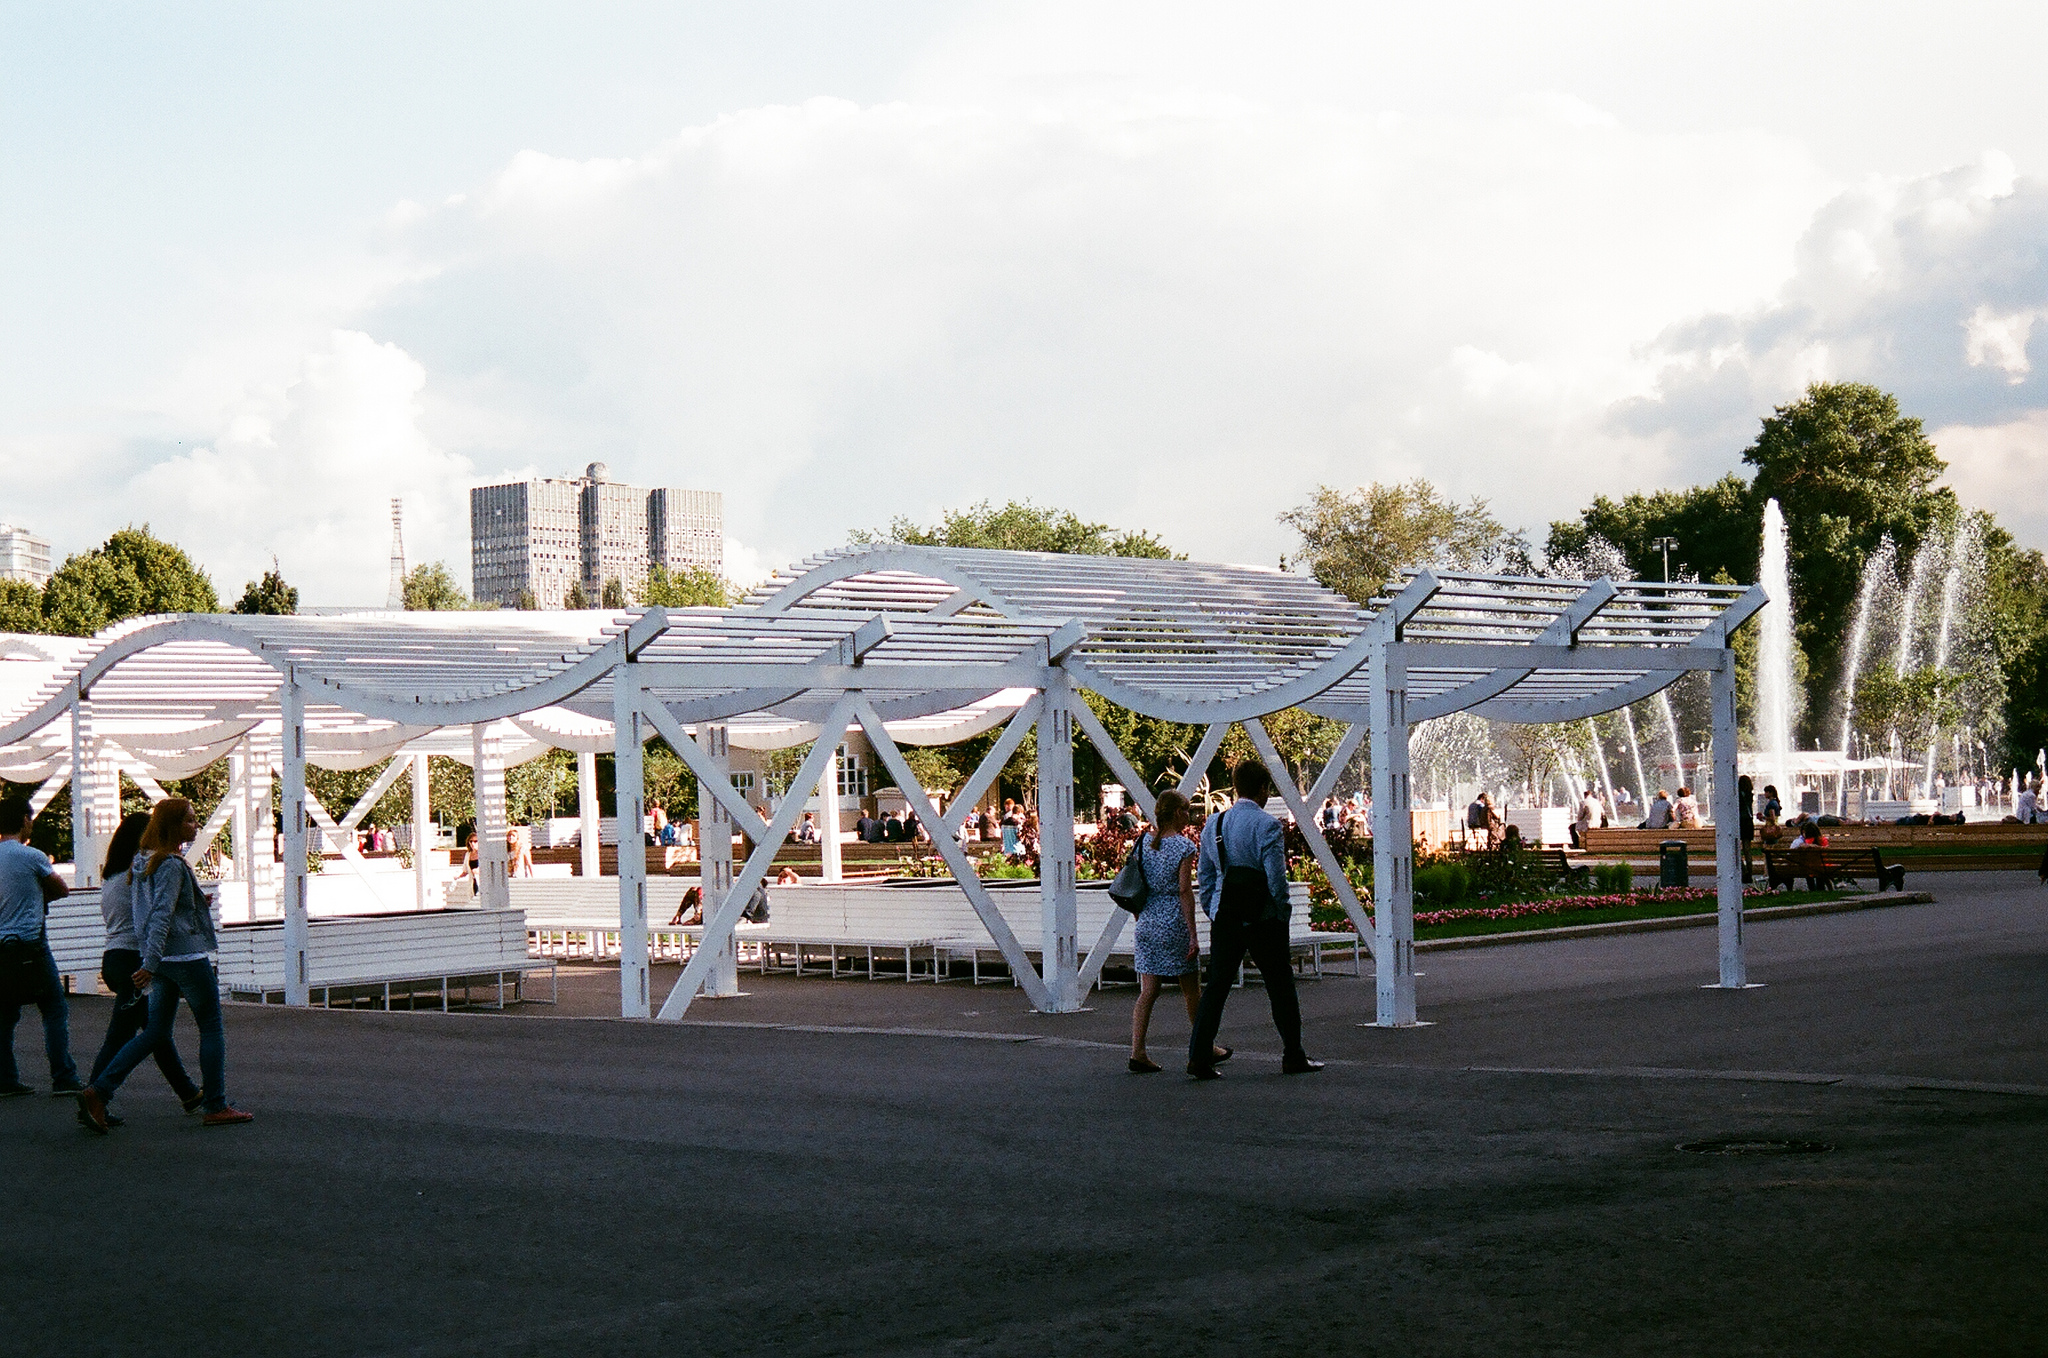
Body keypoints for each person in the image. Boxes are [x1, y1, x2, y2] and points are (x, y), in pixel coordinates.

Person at [78, 798, 251, 1131]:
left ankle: (99, 1091)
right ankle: (215, 1104)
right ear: (171, 826)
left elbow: (153, 909)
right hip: (184, 957)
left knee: (155, 1032)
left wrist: (157, 952)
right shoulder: (171, 864)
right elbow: (159, 915)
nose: (195, 825)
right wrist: (150, 962)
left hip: (163, 962)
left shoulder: (142, 863)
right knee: (211, 1027)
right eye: (189, 820)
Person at [1187, 762, 1321, 1079]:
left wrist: (1213, 907)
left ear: (1236, 787)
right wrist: (1282, 912)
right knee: (1280, 986)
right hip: (1263, 919)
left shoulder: (1214, 825)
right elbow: (1276, 879)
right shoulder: (1268, 826)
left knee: (1216, 987)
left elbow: (1205, 874)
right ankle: (1293, 1055)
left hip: (1226, 917)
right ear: (1263, 789)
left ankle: (1198, 1057)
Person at [83, 812, 200, 1125]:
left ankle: (189, 1093)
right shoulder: (141, 875)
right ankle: (94, 1097)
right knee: (121, 1037)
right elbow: (156, 915)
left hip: (114, 957)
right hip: (136, 961)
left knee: (155, 1031)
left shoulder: (113, 875)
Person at [1127, 792, 1230, 1074]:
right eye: (1186, 810)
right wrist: (1193, 934)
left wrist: (1142, 917)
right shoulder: (1184, 847)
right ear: (1176, 813)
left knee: (1148, 991)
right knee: (1191, 991)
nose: (1190, 815)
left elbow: (1135, 885)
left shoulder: (1143, 842)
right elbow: (1185, 891)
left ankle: (1138, 1051)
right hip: (1173, 922)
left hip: (1147, 921)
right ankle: (1204, 1046)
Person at [0, 798, 78, 1099]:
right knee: (54, 1010)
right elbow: (61, 888)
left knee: (5, 1016)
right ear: (24, 821)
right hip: (31, 945)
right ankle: (63, 1076)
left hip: (1, 949)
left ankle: (6, 1079)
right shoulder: (32, 856)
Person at [1737, 774, 1755, 883]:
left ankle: (1743, 871)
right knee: (1747, 850)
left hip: (1740, 821)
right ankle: (1750, 874)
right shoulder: (1750, 794)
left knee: (1736, 849)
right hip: (1749, 822)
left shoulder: (1737, 794)